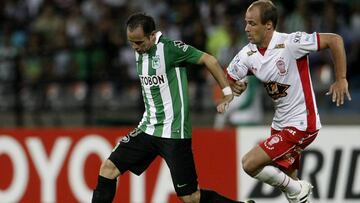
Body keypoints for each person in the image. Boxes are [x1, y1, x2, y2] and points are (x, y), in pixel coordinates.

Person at [92, 13, 254, 203]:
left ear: (152, 36)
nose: (135, 47)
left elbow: (208, 59)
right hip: (148, 128)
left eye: (139, 42)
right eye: (131, 43)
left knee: (190, 198)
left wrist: (227, 91)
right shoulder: (140, 51)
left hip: (174, 133)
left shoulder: (170, 49)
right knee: (108, 169)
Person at [226, 1, 351, 203]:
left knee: (249, 164)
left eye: (252, 23)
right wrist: (233, 85)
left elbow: (335, 40)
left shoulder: (291, 43)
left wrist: (341, 78)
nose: (246, 29)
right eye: (246, 23)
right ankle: (297, 191)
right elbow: (230, 75)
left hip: (302, 124)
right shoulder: (248, 53)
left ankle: (298, 189)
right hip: (279, 124)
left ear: (268, 25)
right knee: (291, 189)